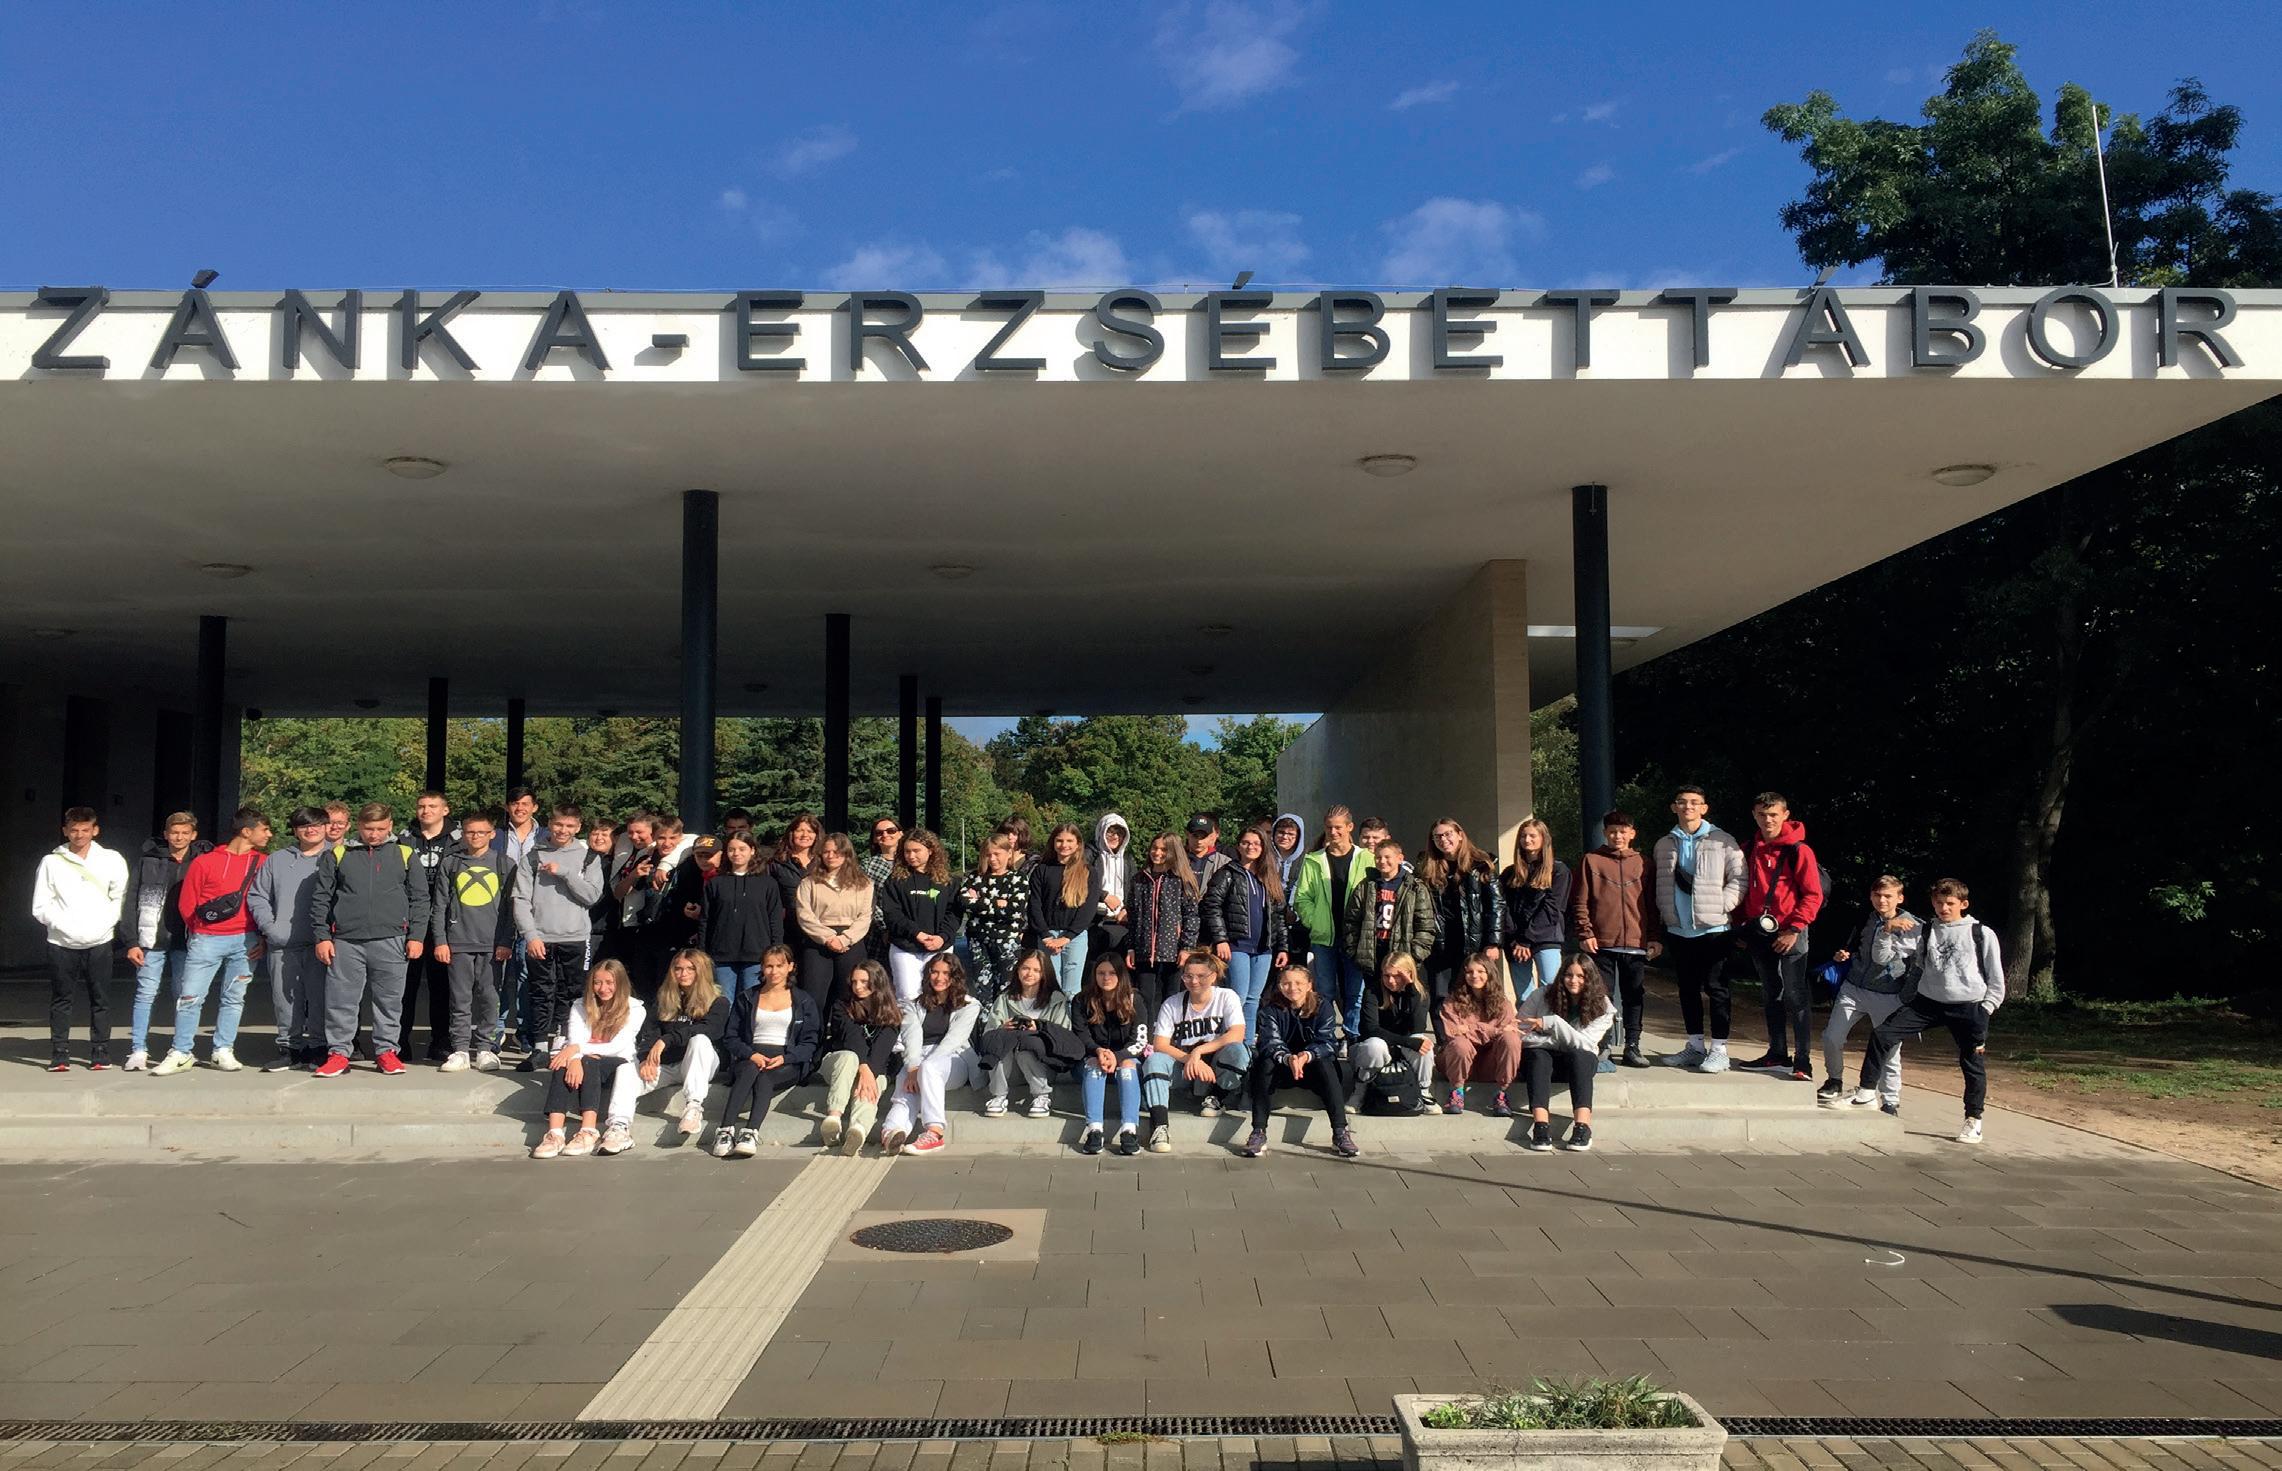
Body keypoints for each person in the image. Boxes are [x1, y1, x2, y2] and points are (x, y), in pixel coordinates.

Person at [1863, 879, 2004, 1145]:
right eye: (1939, 903)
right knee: (1883, 1034)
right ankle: (1866, 1091)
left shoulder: (1981, 933)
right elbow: (1883, 957)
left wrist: (1985, 1010)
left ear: (1963, 904)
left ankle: (1973, 1119)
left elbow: (1996, 980)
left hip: (1968, 1007)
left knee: (1972, 1063)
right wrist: (1886, 931)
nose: (1944, 908)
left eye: (1950, 903)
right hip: (1928, 1003)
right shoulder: (1925, 930)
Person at [310, 803, 429, 1078]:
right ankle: (339, 1053)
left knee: (390, 1000)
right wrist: (322, 936)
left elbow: (420, 899)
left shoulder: (405, 853)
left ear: (390, 825)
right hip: (346, 940)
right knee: (341, 1000)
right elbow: (321, 899)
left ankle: (386, 1051)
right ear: (358, 826)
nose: (374, 834)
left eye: (380, 828)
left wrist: (416, 936)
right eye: (368, 829)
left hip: (392, 938)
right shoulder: (338, 854)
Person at [155, 805, 272, 1077]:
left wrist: (263, 937)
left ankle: (223, 1050)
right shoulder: (205, 862)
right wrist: (199, 930)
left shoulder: (264, 863)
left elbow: (269, 901)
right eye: (264, 829)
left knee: (234, 998)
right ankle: (181, 1051)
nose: (269, 834)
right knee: (190, 997)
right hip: (206, 940)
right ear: (246, 831)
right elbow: (187, 902)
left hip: (246, 941)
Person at [1652, 787, 1747, 1073]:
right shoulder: (1664, 844)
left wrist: (1723, 904)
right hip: (1679, 929)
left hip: (1714, 928)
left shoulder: (1723, 840)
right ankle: (1695, 1046)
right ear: (1674, 807)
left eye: (1695, 803)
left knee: (1717, 989)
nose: (1688, 807)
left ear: (1704, 808)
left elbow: (1740, 878)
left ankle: (1719, 1050)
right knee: (1687, 989)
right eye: (1682, 802)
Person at [1734, 792, 1825, 1081]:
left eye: (1773, 814)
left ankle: (1803, 1061)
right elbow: (1741, 890)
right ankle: (1777, 1053)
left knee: (1796, 996)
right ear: (1754, 815)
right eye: (1762, 814)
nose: (1768, 820)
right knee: (1770, 993)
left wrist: (1794, 929)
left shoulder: (1799, 850)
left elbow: (1812, 894)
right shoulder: (1748, 849)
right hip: (1759, 931)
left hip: (1791, 932)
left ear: (1785, 815)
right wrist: (1740, 926)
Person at [32, 805, 128, 1072]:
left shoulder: (112, 859)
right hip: (61, 942)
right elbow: (40, 905)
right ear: (65, 831)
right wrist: (62, 926)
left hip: (100, 940)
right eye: (74, 830)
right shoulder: (51, 862)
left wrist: (104, 925)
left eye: (85, 830)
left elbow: (118, 898)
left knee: (101, 999)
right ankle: (59, 1053)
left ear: (95, 831)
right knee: (62, 999)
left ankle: (100, 1051)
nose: (79, 835)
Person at [511, 803, 606, 1071]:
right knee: (541, 991)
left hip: (575, 937)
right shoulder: (533, 857)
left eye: (569, 826)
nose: (563, 830)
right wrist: (530, 935)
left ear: (578, 827)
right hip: (541, 937)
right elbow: (520, 899)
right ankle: (540, 1047)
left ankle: (565, 1043)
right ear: (550, 825)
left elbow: (591, 896)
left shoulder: (589, 858)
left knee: (573, 992)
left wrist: (564, 873)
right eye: (558, 825)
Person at [610, 948, 731, 1151]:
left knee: (699, 1040)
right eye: (678, 969)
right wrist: (645, 1058)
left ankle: (693, 1106)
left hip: (700, 1064)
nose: (683, 974)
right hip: (668, 1065)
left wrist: (667, 1040)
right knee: (625, 1068)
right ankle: (618, 1127)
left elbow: (710, 1029)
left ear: (701, 971)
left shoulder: (719, 1001)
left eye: (690, 969)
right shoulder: (664, 999)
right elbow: (650, 1034)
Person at [1818, 875, 1920, 1115]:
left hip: (1888, 994)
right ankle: (1834, 1080)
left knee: (1889, 1049)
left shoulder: (1912, 925)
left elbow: (1916, 963)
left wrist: (1906, 995)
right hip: (1853, 988)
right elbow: (1857, 946)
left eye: (1888, 896)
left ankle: (1890, 1100)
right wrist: (1845, 954)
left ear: (1900, 898)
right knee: (1832, 1037)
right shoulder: (1866, 917)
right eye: (1877, 895)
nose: (1882, 900)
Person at [1570, 811, 1662, 1070]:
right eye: (1612, 831)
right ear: (1605, 833)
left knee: (1635, 995)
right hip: (1601, 942)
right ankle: (1603, 1044)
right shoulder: (1591, 860)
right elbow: (1580, 900)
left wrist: (1654, 937)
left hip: (1636, 941)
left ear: (1632, 833)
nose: (1617, 836)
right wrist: (1585, 932)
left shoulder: (1644, 863)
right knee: (1601, 995)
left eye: (1623, 831)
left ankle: (1633, 1045)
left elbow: (1652, 904)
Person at [120, 811, 209, 1071]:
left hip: (188, 938)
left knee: (184, 995)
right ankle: (138, 1049)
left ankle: (182, 1048)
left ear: (193, 835)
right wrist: (131, 941)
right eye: (174, 833)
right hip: (151, 938)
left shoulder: (202, 862)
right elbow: (131, 899)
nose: (179, 837)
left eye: (185, 833)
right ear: (166, 834)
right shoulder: (148, 860)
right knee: (146, 993)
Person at [713, 944, 821, 1158]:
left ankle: (750, 1132)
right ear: (762, 968)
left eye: (780, 966)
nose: (774, 971)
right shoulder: (747, 997)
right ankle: (725, 1130)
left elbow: (810, 1042)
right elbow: (731, 1037)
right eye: (769, 966)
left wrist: (787, 1058)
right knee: (751, 1069)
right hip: (751, 1056)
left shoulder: (803, 1000)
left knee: (765, 1078)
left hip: (786, 1061)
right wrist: (750, 1054)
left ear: (790, 967)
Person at [531, 959, 645, 1159]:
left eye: (609, 982)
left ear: (620, 983)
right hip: (585, 1060)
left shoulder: (635, 1008)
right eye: (597, 982)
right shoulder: (579, 1005)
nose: (603, 988)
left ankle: (588, 1131)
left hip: (618, 1062)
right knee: (563, 1064)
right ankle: (554, 1134)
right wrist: (574, 1057)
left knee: (587, 1060)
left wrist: (575, 1050)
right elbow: (575, 1038)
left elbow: (618, 1046)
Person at [1242, 964, 1358, 1159]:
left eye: (1298, 983)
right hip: (1282, 1069)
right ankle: (1258, 1132)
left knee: (1325, 1062)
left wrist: (1306, 1056)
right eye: (1286, 983)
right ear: (1279, 985)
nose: (1292, 988)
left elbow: (1328, 1042)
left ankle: (1340, 1131)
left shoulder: (1323, 1007)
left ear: (1309, 985)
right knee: (1266, 1062)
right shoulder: (1269, 1009)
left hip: (1312, 1070)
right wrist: (1288, 1058)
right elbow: (1270, 1043)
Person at [247, 806, 332, 1071]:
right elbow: (258, 895)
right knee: (285, 999)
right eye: (304, 825)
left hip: (322, 943)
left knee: (321, 999)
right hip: (283, 942)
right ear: (295, 830)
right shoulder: (277, 859)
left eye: (316, 824)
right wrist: (270, 928)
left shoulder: (338, 857)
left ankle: (319, 1047)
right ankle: (289, 1048)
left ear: (326, 827)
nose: (311, 829)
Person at [1141, 950, 1250, 1151]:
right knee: (1155, 1060)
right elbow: (1160, 1044)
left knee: (1239, 1051)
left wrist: (1199, 1052)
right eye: (1188, 976)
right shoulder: (1172, 1003)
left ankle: (1217, 1097)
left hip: (1215, 1066)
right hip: (1186, 1066)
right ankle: (1159, 1126)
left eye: (1201, 976)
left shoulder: (1226, 996)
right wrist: (1191, 1059)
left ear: (1213, 976)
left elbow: (1237, 1033)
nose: (1194, 981)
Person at [431, 807, 513, 1073]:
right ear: (463, 834)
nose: (475, 836)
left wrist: (506, 941)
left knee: (490, 997)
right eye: (470, 832)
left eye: (481, 832)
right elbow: (439, 905)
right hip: (458, 942)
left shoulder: (504, 864)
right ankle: (460, 1050)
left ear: (492, 834)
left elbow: (511, 908)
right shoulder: (451, 863)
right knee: (459, 999)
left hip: (492, 943)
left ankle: (486, 1049)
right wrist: (440, 941)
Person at [879, 951, 982, 1157]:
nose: (939, 977)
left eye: (946, 973)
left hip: (954, 1059)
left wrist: (920, 1069)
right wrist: (912, 1068)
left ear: (955, 977)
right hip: (920, 1057)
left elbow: (954, 1040)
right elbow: (911, 1036)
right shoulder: (912, 1005)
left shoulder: (969, 1005)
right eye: (934, 972)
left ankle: (935, 1132)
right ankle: (892, 1131)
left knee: (929, 1068)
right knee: (906, 1086)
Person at [1199, 823, 1291, 1034]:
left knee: (1253, 1000)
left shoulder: (1269, 876)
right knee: (1236, 998)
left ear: (1263, 847)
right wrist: (1221, 939)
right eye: (1246, 843)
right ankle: (1229, 1043)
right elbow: (1211, 906)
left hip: (1263, 948)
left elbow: (1279, 915)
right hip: (1236, 945)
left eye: (1256, 843)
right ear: (1238, 846)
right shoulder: (1227, 873)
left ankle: (1247, 1045)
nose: (1251, 847)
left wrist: (1282, 947)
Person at [1521, 951, 1614, 1152]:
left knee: (1581, 1055)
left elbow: (1585, 1044)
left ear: (1590, 979)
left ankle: (1582, 1127)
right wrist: (1556, 1039)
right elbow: (1520, 1032)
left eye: (1581, 976)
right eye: (1569, 975)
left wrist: (1551, 1024)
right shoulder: (1541, 995)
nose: (1574, 980)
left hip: (1577, 1065)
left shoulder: (1604, 1006)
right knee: (1537, 1054)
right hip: (1543, 1064)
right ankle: (1541, 1126)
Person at [1419, 818, 1505, 1019]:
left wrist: (1493, 942)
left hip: (1472, 942)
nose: (1443, 840)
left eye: (1448, 834)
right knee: (1439, 996)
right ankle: (1445, 1037)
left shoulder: (1481, 865)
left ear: (1460, 835)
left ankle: (1473, 1035)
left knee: (1471, 993)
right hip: (1439, 943)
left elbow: (1496, 905)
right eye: (1437, 837)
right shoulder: (1427, 867)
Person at [818, 960, 903, 1155]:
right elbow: (852, 1038)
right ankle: (834, 1117)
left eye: (864, 981)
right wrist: (864, 1067)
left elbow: (882, 1048)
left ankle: (858, 1130)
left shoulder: (891, 1011)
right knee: (850, 1058)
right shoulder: (842, 1005)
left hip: (875, 1066)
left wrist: (868, 1072)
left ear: (878, 982)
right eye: (855, 981)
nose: (858, 986)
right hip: (839, 1063)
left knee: (875, 1082)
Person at [1341, 839, 1438, 1002]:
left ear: (1400, 858)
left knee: (1404, 1001)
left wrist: (1414, 955)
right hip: (1373, 954)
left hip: (1402, 953)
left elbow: (1425, 926)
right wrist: (1355, 951)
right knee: (1374, 1001)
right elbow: (1351, 921)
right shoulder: (1366, 886)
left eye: (1387, 857)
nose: (1382, 861)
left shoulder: (1415, 888)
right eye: (1378, 857)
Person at [978, 950, 1071, 1118]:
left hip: (1043, 1065)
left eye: (1037, 970)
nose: (1030, 974)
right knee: (1000, 1044)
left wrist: (1039, 1028)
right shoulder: (1005, 998)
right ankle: (998, 1096)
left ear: (1045, 974)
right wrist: (1002, 1027)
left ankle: (1041, 1096)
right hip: (1010, 1069)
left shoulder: (1057, 1000)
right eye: (1025, 968)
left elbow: (1063, 1036)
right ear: (1018, 970)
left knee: (1026, 1049)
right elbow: (988, 1034)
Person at [398, 790, 455, 1063]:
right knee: (404, 987)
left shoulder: (457, 841)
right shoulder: (402, 840)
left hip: (444, 922)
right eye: (421, 806)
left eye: (432, 806)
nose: (426, 811)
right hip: (409, 921)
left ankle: (440, 1041)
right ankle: (400, 1042)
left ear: (445, 810)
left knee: (442, 986)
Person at [1074, 954, 1147, 1156]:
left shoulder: (1135, 999)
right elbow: (1080, 1036)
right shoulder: (1081, 1000)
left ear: (1121, 975)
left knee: (1128, 1065)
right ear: (1094, 975)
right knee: (1093, 1064)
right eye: (1101, 973)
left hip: (1126, 1060)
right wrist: (1098, 1051)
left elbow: (1140, 1041)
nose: (1106, 978)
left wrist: (1118, 1056)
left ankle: (1129, 1131)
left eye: (1112, 973)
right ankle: (1094, 1130)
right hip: (1092, 1059)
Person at [1123, 832, 1201, 1022]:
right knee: (1145, 997)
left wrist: (1186, 947)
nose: (1157, 853)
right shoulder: (1139, 879)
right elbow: (1132, 916)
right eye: (1154, 848)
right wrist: (1131, 947)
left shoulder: (1182, 880)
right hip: (1143, 950)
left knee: (1171, 996)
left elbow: (1191, 916)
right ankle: (1147, 1034)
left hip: (1172, 950)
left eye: (1163, 849)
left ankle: (1171, 1034)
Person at [794, 832, 873, 1013]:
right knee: (814, 995)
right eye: (826, 852)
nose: (831, 856)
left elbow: (865, 916)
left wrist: (844, 939)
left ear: (847, 853)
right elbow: (804, 915)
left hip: (851, 942)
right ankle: (814, 1031)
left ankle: (843, 1030)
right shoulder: (809, 882)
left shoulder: (864, 883)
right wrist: (828, 938)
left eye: (836, 852)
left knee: (848, 994)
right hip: (817, 942)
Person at [881, 828, 962, 1003]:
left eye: (916, 851)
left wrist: (942, 937)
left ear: (930, 850)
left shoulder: (949, 881)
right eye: (907, 851)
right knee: (908, 996)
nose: (911, 856)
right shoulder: (895, 880)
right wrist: (917, 933)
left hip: (939, 947)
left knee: (939, 995)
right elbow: (892, 914)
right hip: (905, 947)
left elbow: (954, 913)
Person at [1438, 951, 1522, 1116]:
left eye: (1480, 971)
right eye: (1469, 972)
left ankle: (1502, 1094)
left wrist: (1469, 1028)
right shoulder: (1452, 1002)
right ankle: (1456, 1093)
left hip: (1491, 1064)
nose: (1474, 975)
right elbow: (1453, 1032)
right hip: (1458, 1063)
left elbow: (1508, 1032)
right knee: (1460, 1044)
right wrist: (1494, 1031)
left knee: (1511, 1039)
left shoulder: (1503, 1003)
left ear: (1489, 973)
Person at [700, 830, 783, 997]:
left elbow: (775, 920)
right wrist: (702, 952)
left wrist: (776, 951)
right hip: (722, 955)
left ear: (752, 850)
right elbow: (705, 920)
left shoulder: (768, 883)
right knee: (725, 1002)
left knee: (749, 1002)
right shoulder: (716, 883)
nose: (736, 853)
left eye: (742, 849)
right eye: (731, 849)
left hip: (757, 954)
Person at [1352, 951, 1437, 1111]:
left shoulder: (1420, 992)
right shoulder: (1372, 991)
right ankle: (1360, 1092)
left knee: (1423, 1041)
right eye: (1386, 975)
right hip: (1374, 1049)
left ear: (1409, 974)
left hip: (1403, 1047)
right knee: (1375, 1045)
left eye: (1397, 976)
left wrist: (1411, 990)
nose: (1390, 980)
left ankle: (1423, 1092)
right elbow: (1371, 1029)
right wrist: (1407, 1042)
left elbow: (1417, 1028)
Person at [1499, 816, 1570, 1003]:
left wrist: (1526, 939)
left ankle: (1549, 1024)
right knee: (1524, 998)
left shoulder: (1558, 871)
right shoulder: (1509, 873)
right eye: (1523, 836)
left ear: (1543, 839)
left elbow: (1552, 908)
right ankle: (1527, 1024)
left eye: (1532, 836)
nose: (1527, 840)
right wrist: (1515, 938)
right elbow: (1503, 907)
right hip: (1515, 942)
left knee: (1551, 992)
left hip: (1546, 938)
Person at [1027, 822, 1101, 999]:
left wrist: (1068, 936)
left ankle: (1070, 1018)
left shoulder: (1088, 872)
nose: (1064, 845)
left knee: (1071, 991)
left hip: (1075, 937)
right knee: (1050, 988)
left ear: (1078, 844)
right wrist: (1045, 935)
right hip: (1047, 937)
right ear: (1053, 843)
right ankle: (1052, 1018)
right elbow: (1034, 904)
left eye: (1069, 841)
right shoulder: (1042, 870)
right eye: (1059, 840)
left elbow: (1088, 908)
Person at [495, 785, 544, 1055]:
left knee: (527, 974)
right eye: (515, 803)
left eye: (525, 803)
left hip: (533, 913)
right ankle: (495, 1031)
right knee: (499, 975)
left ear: (534, 807)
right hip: (500, 911)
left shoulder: (546, 836)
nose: (520, 808)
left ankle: (524, 1031)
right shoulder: (496, 836)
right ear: (507, 807)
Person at [956, 832, 1030, 1004]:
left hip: (1007, 940)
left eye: (997, 854)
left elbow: (1015, 910)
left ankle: (1002, 1020)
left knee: (1006, 987)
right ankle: (984, 1020)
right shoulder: (975, 877)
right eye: (988, 855)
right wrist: (998, 903)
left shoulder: (1018, 878)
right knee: (982, 988)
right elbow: (964, 903)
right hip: (978, 940)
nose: (992, 859)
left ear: (1009, 853)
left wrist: (980, 901)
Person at [1089, 812, 1133, 964]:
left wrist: (1127, 908)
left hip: (1120, 921)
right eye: (1110, 832)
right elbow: (1081, 883)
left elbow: (1133, 888)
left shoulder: (1127, 859)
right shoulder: (1090, 855)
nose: (1115, 837)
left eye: (1119, 833)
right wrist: (1104, 896)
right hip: (1094, 921)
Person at [861, 816, 901, 961]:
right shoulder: (867, 865)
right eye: (879, 833)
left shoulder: (912, 863)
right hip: (878, 932)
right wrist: (883, 927)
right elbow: (867, 899)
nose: (885, 835)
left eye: (891, 830)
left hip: (909, 931)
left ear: (900, 834)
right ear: (874, 838)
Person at [1182, 814, 1229, 889]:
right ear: (1187, 834)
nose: (1199, 841)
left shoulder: (1223, 862)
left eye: (1203, 837)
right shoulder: (1176, 859)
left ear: (1211, 836)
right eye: (1195, 836)